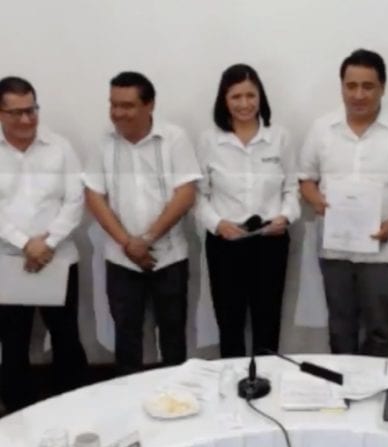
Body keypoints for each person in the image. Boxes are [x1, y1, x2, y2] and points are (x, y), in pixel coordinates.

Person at [298, 49, 388, 356]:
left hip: (384, 249)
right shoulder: (322, 129)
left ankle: (376, 384)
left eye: (368, 86)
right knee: (339, 325)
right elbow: (306, 179)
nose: (358, 95)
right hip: (335, 248)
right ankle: (340, 384)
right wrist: (318, 202)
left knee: (379, 328)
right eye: (351, 86)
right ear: (342, 87)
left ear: (382, 87)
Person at [84, 71, 201, 375]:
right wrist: (128, 243)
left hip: (170, 256)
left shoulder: (174, 138)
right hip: (120, 258)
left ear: (150, 105)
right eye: (113, 104)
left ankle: (177, 394)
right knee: (126, 337)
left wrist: (147, 238)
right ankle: (129, 397)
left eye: (127, 105)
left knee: (173, 335)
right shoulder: (103, 143)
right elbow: (94, 195)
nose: (118, 113)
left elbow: (186, 193)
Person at [196, 64, 299, 357]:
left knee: (268, 321)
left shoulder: (279, 137)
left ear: (260, 97)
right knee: (230, 323)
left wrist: (286, 216)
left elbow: (292, 187)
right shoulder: (209, 140)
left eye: (250, 95)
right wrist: (217, 224)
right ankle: (232, 380)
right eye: (236, 97)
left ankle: (267, 378)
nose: (244, 104)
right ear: (224, 100)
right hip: (226, 243)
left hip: (270, 241)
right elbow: (199, 195)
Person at [0, 76, 87, 412]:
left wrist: (47, 242)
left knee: (66, 338)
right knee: (13, 342)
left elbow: (76, 199)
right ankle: (18, 414)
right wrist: (25, 244)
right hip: (8, 260)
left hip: (58, 258)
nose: (26, 120)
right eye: (16, 113)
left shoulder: (59, 147)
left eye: (31, 110)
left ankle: (73, 408)